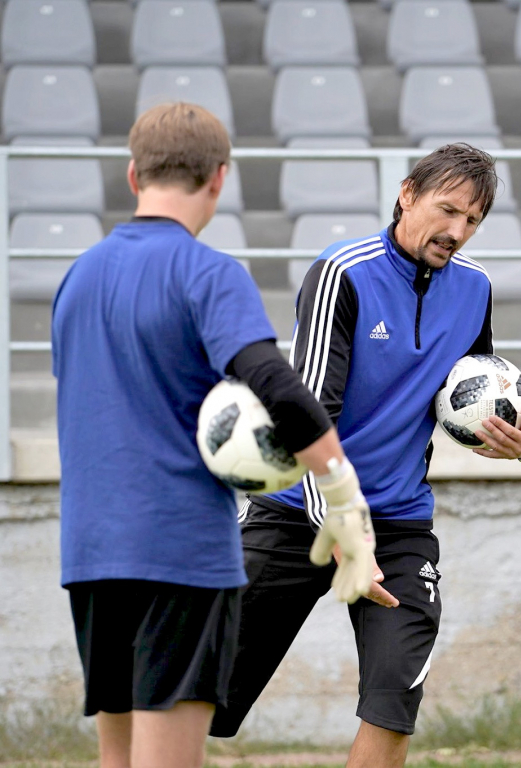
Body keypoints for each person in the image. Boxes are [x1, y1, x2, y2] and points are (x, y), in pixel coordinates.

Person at [52, 102, 375, 768]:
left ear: (132, 174)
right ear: (220, 179)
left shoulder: (77, 277)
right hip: (179, 554)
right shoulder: (208, 273)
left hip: (91, 554)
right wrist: (342, 493)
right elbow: (277, 386)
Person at [209, 143, 521, 768]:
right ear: (407, 193)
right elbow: (307, 414)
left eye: (473, 221)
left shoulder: (475, 289)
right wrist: (337, 521)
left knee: (394, 699)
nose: (458, 232)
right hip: (297, 512)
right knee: (200, 694)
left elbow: (469, 395)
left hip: (397, 523)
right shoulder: (343, 273)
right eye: (447, 211)